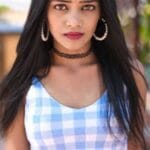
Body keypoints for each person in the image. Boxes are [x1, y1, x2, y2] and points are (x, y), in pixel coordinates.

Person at [0, 0, 148, 149]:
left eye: (88, 7)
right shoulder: (22, 81)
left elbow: (136, 144)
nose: (74, 22)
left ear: (101, 13)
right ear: (44, 13)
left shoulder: (128, 74)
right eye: (61, 7)